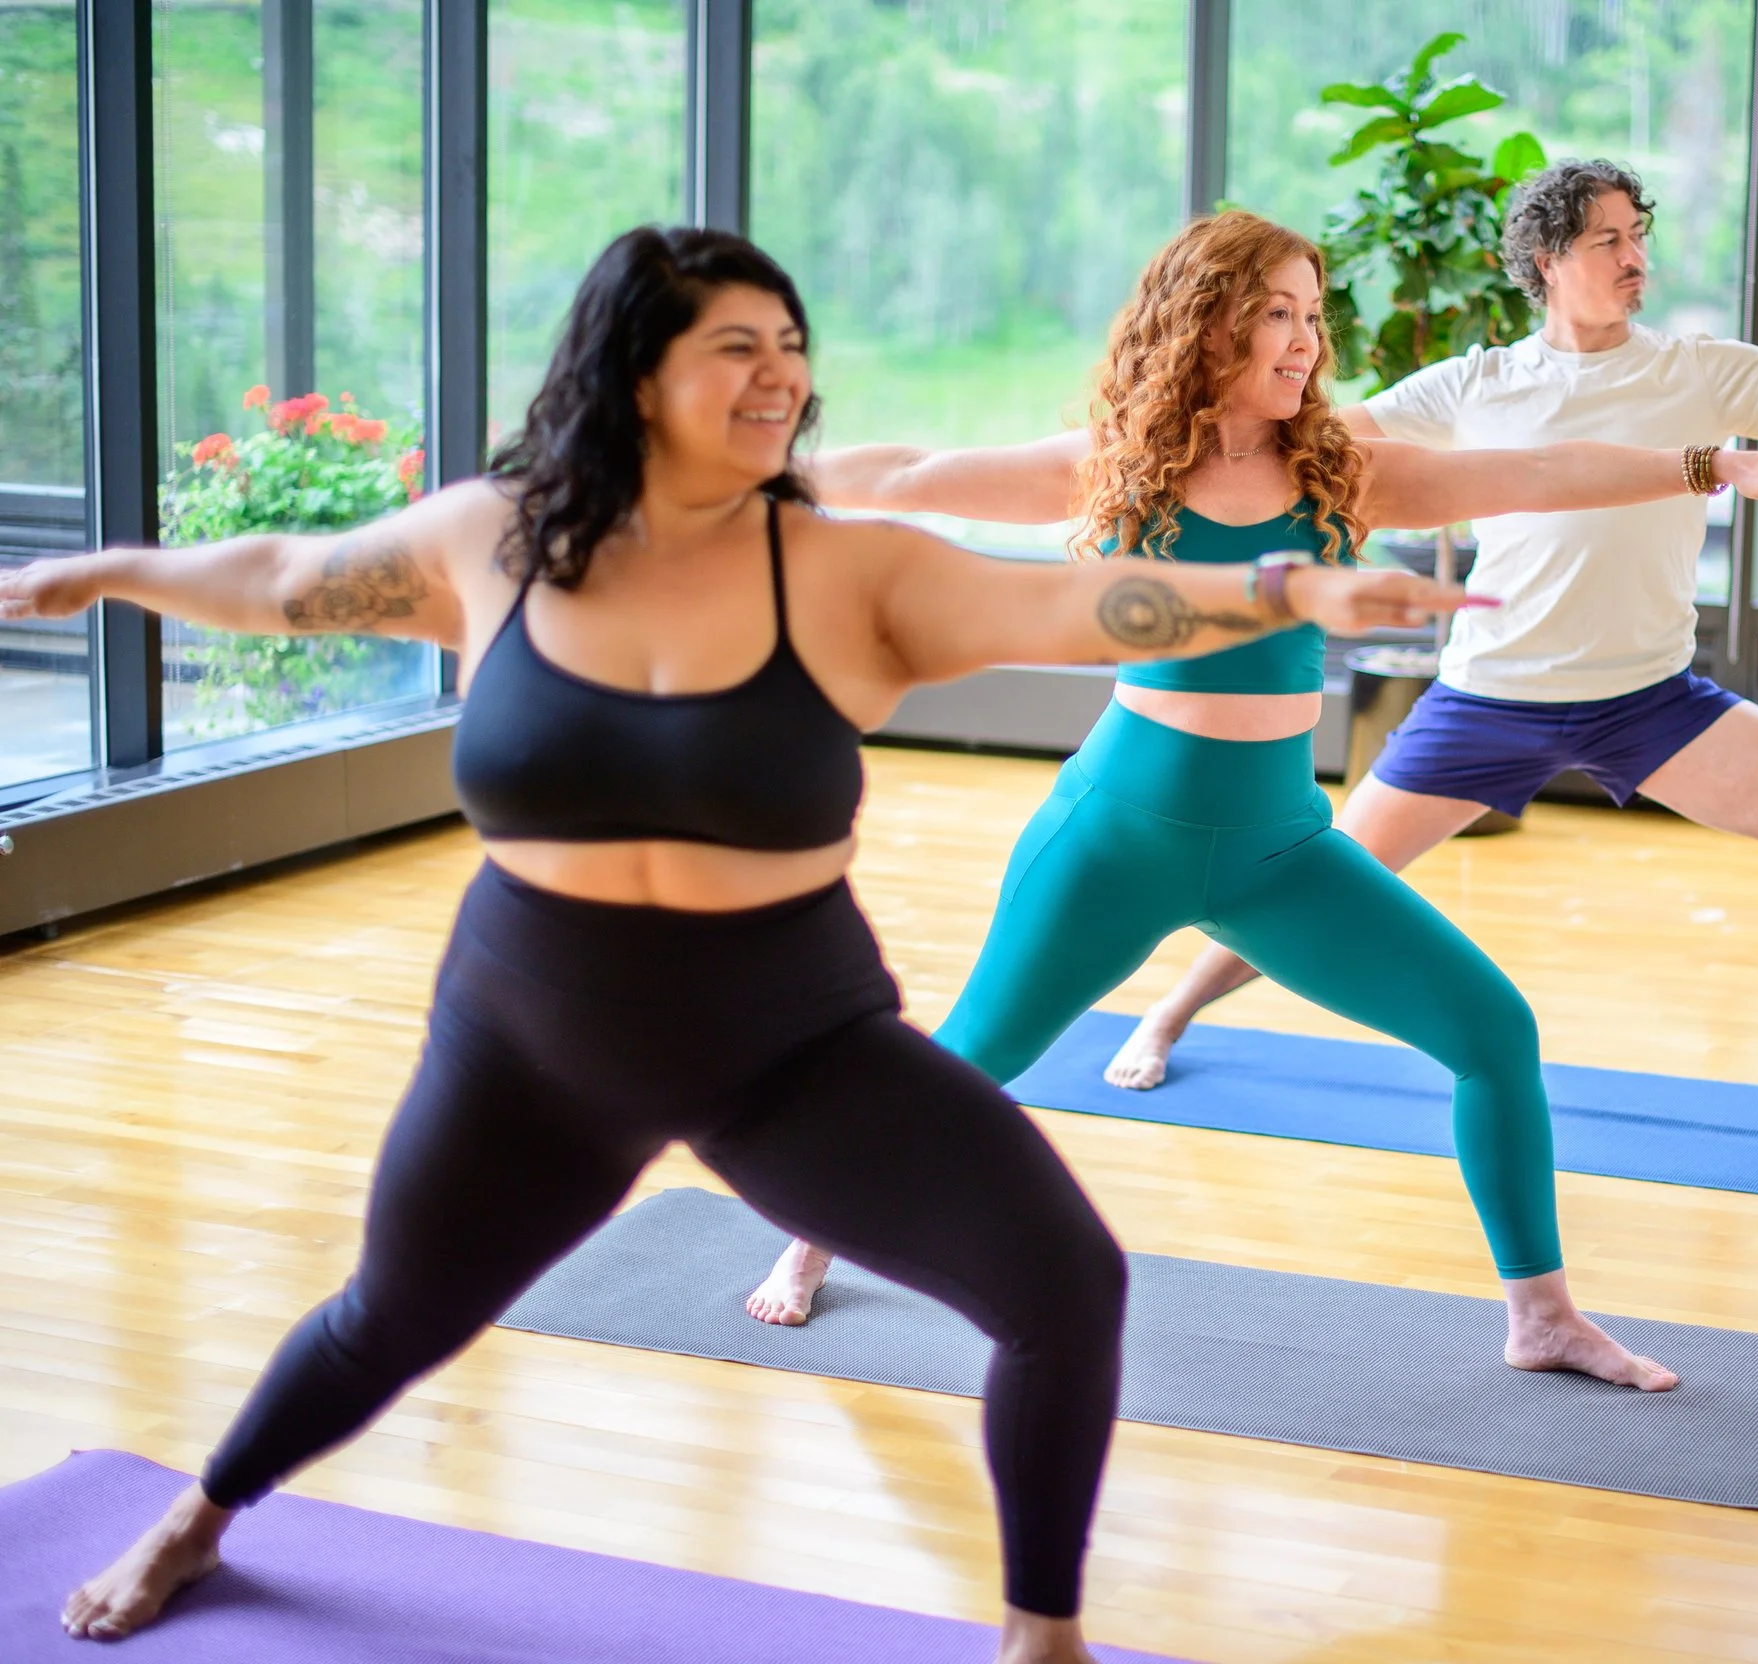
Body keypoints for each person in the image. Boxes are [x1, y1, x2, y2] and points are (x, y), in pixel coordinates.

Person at [8, 227, 1477, 1660]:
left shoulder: (843, 569)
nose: (780, 376)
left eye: (792, 348)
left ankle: (1044, 1633)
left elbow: (1073, 604)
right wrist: (105, 576)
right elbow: (286, 580)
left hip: (788, 1045)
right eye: (737, 348)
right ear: (637, 372)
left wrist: (1284, 587)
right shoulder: (498, 539)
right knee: (388, 1316)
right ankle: (200, 1516)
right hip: (528, 1043)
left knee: (1067, 1287)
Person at [743, 210, 1758, 1397]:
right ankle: (816, 1229)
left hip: (1277, 850)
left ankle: (1541, 1315)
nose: (1304, 340)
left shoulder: (1339, 467)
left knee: (1494, 1033)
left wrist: (1703, 463)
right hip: (1116, 839)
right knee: (972, 1063)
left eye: (1314, 315)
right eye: (1278, 313)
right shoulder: (1123, 462)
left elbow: (1532, 470)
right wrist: (739, 475)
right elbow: (911, 478)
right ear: (1211, 321)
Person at [1102, 162, 1758, 1159]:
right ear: (1542, 266)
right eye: (1605, 239)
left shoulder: (1699, 373)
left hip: (1646, 700)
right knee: (1322, 876)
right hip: (1489, 699)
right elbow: (1316, 449)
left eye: (1637, 236)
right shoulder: (1473, 385)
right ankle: (1171, 1007)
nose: (1632, 257)